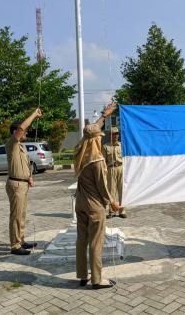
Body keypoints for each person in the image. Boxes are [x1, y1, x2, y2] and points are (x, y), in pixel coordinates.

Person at [74, 102, 121, 289]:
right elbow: (103, 187)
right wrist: (112, 202)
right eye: (100, 137)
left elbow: (90, 130)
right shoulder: (98, 160)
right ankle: (97, 279)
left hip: (80, 203)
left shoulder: (79, 154)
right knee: (95, 242)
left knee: (81, 240)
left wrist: (105, 115)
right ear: (96, 140)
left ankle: (82, 276)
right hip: (94, 207)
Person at [5, 108, 42, 255]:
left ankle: (21, 240)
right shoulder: (12, 144)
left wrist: (29, 177)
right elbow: (22, 128)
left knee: (22, 214)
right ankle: (15, 246)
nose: (26, 133)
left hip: (23, 183)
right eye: (24, 132)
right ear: (16, 132)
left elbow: (25, 165)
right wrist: (34, 114)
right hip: (16, 185)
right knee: (16, 215)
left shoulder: (20, 147)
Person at [102, 126, 127, 219]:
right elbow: (103, 160)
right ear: (110, 135)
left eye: (117, 134)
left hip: (121, 168)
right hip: (111, 168)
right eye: (114, 134)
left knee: (122, 190)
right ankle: (112, 211)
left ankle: (122, 211)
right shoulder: (105, 146)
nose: (116, 136)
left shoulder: (122, 145)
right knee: (111, 190)